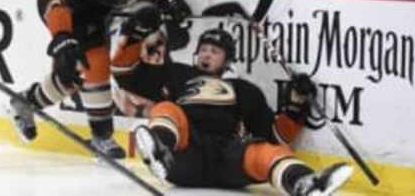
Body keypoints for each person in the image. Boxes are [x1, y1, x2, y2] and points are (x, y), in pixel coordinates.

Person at [8, 0, 172, 160]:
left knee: (76, 74)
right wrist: (62, 36)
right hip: (62, 0)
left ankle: (26, 102)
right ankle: (102, 137)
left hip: (95, 4)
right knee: (91, 64)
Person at [111, 26, 353, 195]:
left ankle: (302, 182)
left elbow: (277, 136)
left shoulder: (244, 89)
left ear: (227, 61)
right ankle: (160, 150)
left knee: (263, 151)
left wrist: (296, 103)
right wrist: (132, 37)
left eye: (215, 51)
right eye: (203, 49)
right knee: (166, 108)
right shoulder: (177, 74)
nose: (206, 54)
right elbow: (127, 78)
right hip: (183, 156)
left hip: (227, 157)